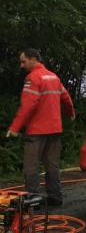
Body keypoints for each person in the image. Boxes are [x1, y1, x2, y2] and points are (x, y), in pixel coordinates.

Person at [5, 49, 75, 206]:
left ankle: (33, 201)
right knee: (52, 165)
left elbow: (28, 105)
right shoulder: (54, 77)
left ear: (33, 59)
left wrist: (15, 127)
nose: (21, 65)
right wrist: (70, 113)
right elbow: (66, 98)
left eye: (23, 61)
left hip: (36, 131)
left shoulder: (32, 78)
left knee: (31, 166)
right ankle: (55, 198)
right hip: (55, 129)